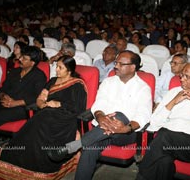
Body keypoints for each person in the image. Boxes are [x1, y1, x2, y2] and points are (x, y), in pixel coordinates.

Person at [48, 50, 152, 180]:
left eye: (120, 64)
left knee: (118, 115)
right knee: (90, 148)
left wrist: (125, 128)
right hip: (103, 129)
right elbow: (99, 105)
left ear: (132, 67)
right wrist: (100, 117)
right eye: (116, 62)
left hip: (126, 133)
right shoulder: (108, 82)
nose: (116, 66)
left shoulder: (143, 88)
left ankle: (73, 146)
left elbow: (144, 115)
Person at [0, 56, 87, 175]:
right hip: (46, 113)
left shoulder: (77, 84)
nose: (57, 70)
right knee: (40, 120)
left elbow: (78, 108)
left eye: (60, 68)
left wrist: (59, 103)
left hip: (65, 117)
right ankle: (21, 157)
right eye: (56, 67)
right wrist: (42, 104)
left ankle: (42, 163)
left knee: (42, 121)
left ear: (69, 70)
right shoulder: (52, 81)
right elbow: (40, 98)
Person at [137, 61, 190, 180]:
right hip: (168, 142)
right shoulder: (173, 92)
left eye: (186, 76)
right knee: (164, 162)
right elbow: (154, 123)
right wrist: (173, 102)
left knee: (163, 136)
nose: (182, 79)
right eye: (181, 75)